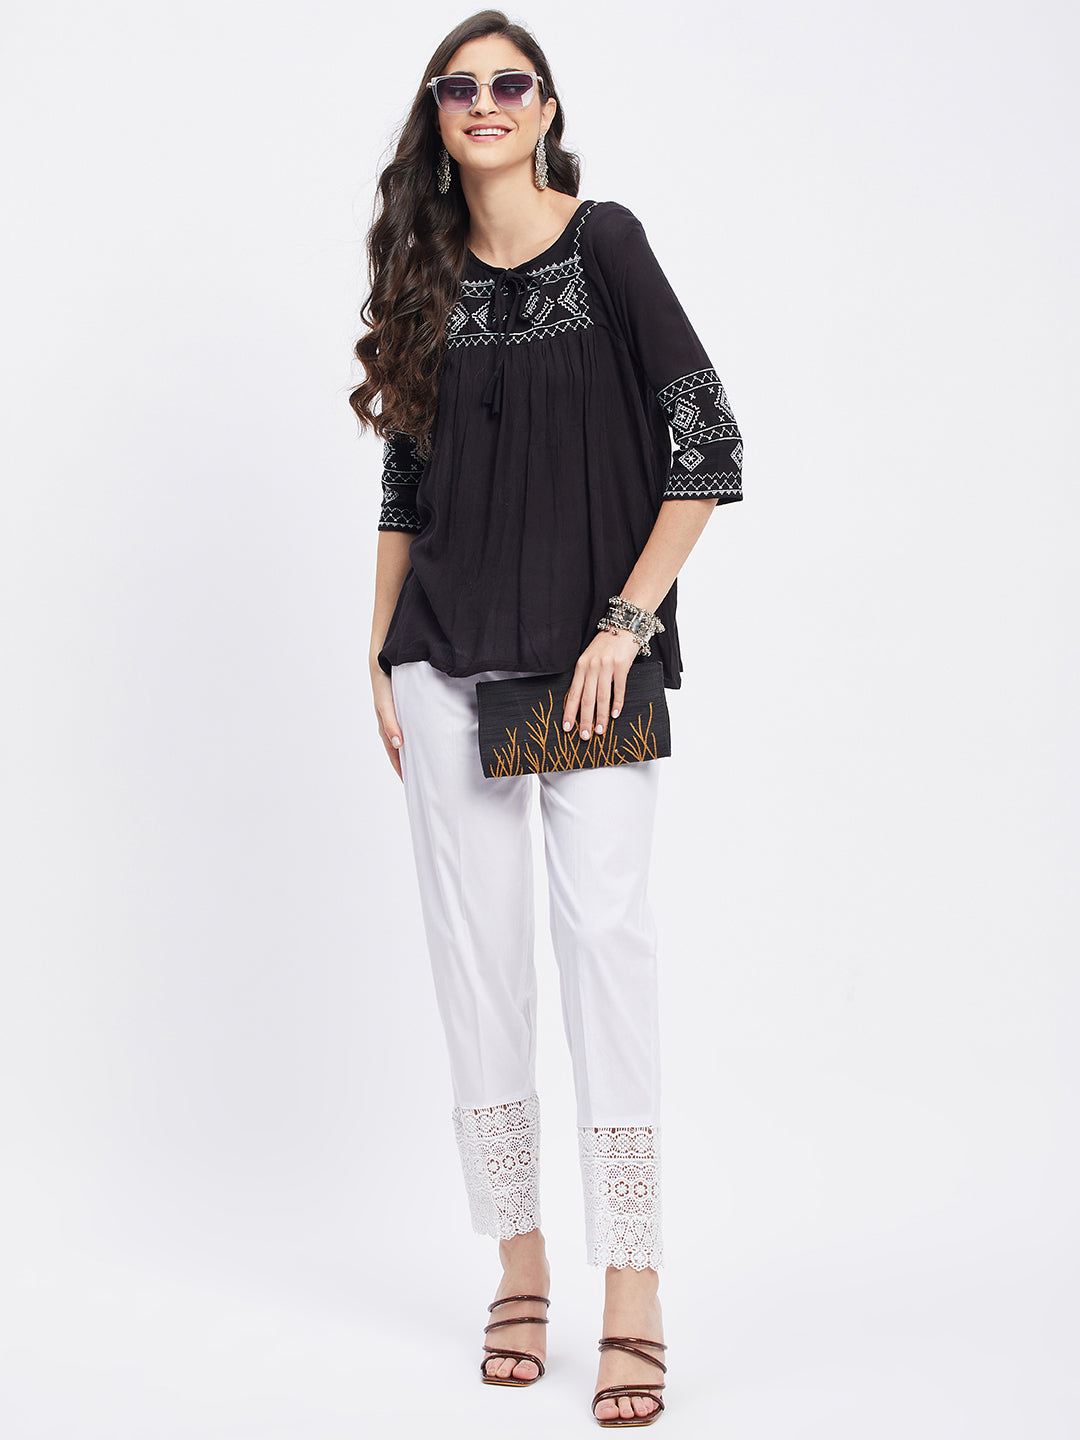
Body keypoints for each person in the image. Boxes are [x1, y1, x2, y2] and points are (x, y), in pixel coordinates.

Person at [351, 12, 743, 1427]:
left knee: (605, 947)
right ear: (437, 117)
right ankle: (518, 1262)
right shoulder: (424, 273)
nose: (486, 102)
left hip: (589, 669)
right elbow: (404, 485)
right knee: (479, 962)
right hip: (445, 657)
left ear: (547, 106)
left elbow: (707, 445)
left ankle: (631, 1280)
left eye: (508, 82)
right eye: (459, 87)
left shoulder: (609, 245)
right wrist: (377, 651)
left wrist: (626, 622)